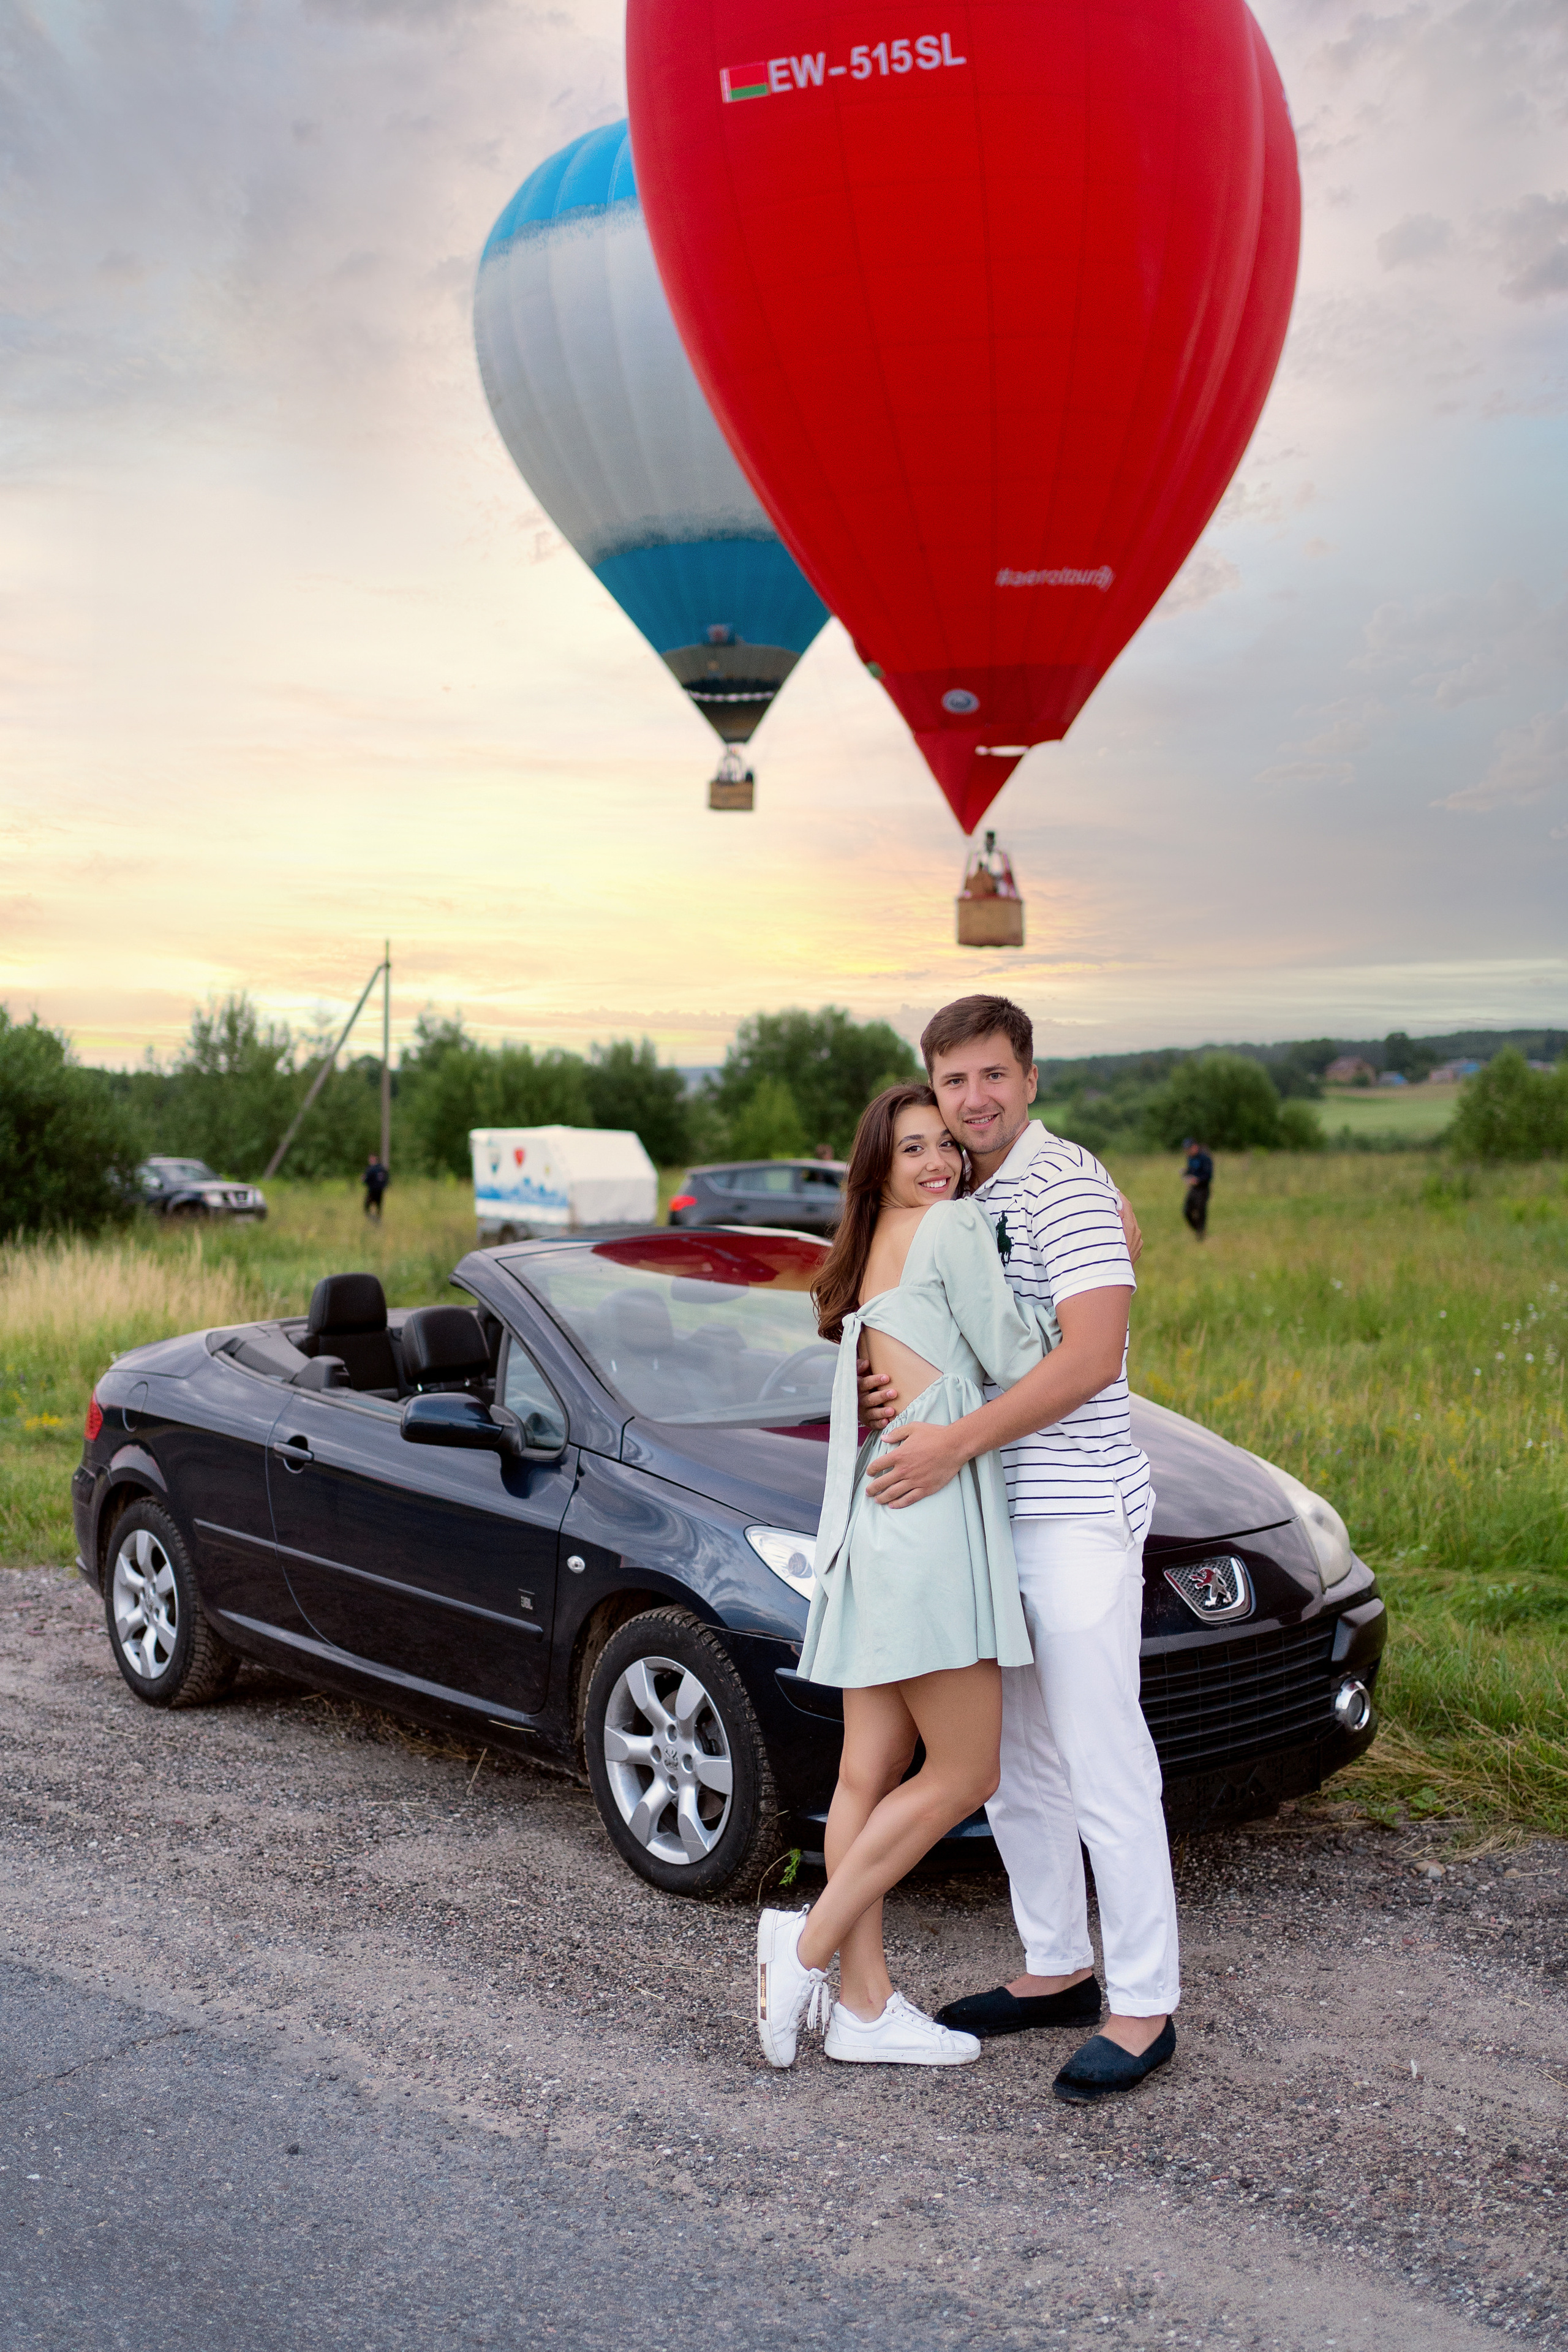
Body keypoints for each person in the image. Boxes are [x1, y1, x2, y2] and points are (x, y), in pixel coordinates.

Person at [858, 995, 1179, 2105]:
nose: (975, 1099)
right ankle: (1057, 1967)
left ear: (1030, 1079)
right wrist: (901, 1390)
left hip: (1076, 1515)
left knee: (1101, 1757)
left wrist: (953, 1441)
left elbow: (1090, 1357)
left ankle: (1144, 2006)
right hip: (988, 1520)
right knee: (1022, 1763)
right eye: (954, 1081)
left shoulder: (1067, 1185)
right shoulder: (963, 1194)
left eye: (994, 1075)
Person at [755, 1084, 1054, 2071]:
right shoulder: (955, 1226)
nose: (940, 1164)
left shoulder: (869, 1248)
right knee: (968, 1772)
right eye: (915, 1147)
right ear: (878, 1161)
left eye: (946, 1147)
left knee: (868, 1772)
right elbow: (1021, 1353)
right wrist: (1097, 1279)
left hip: (881, 1523)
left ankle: (865, 2008)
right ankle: (804, 1950)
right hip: (928, 1528)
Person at [1182, 1137, 1213, 1240]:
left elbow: (1208, 1175)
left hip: (1203, 1189)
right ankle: (1198, 1230)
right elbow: (1191, 1171)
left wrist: (1198, 1180)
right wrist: (1185, 1173)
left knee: (1200, 1210)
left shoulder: (1205, 1158)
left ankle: (1201, 1233)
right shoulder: (1190, 1158)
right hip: (1193, 1189)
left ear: (1195, 1146)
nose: (1188, 1152)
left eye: (1189, 1149)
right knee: (1187, 1211)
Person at [361, 1153, 389, 1221]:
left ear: (374, 1159)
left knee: (367, 1205)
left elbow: (367, 1179)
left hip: (373, 1190)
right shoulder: (382, 1168)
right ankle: (378, 1219)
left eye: (371, 1159)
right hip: (380, 1190)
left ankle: (372, 1219)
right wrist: (385, 1186)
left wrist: (363, 1179)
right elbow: (386, 1178)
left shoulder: (371, 1169)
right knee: (378, 1205)